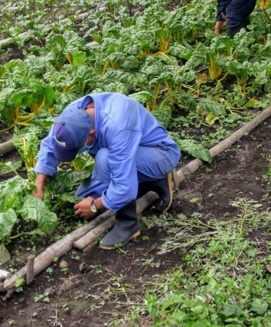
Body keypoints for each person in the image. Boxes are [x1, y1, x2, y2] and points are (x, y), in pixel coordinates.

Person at [32, 93, 180, 249]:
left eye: (77, 148)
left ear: (92, 133)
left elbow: (124, 186)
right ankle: (151, 180)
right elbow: (50, 144)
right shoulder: (73, 114)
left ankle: (128, 223)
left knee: (104, 158)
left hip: (161, 153)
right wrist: (39, 184)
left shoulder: (118, 125)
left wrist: (95, 205)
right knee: (80, 198)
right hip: (130, 155)